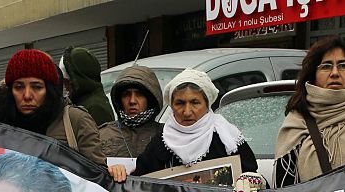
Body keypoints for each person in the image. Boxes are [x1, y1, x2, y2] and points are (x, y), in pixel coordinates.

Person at [274, 37, 345, 187]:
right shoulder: (297, 119)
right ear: (313, 74)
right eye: (326, 66)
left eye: (343, 65)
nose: (335, 73)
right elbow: (285, 184)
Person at [129, 69, 257, 177]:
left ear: (207, 105)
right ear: (172, 106)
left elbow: (252, 178)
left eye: (195, 103)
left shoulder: (227, 140)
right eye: (180, 103)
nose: (187, 112)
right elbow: (139, 181)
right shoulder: (161, 143)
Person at [0, 49, 104, 165]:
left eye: (37, 87)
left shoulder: (76, 119)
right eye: (19, 87)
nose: (27, 96)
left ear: (49, 89)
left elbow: (98, 175)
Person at [99, 64, 163, 159]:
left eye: (139, 94)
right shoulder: (103, 135)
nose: (132, 101)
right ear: (119, 100)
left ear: (150, 99)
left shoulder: (165, 135)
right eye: (126, 94)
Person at [59, 46, 114, 126]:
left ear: (78, 80)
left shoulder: (95, 108)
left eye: (67, 81)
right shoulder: (82, 100)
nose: (65, 87)